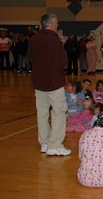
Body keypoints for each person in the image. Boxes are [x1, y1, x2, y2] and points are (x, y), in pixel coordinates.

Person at [27, 13, 71, 156]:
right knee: (59, 112)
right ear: (51, 24)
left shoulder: (33, 39)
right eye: (57, 23)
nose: (58, 25)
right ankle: (55, 145)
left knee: (42, 113)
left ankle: (45, 143)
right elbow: (62, 62)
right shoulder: (54, 41)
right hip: (54, 83)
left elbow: (30, 57)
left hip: (39, 83)